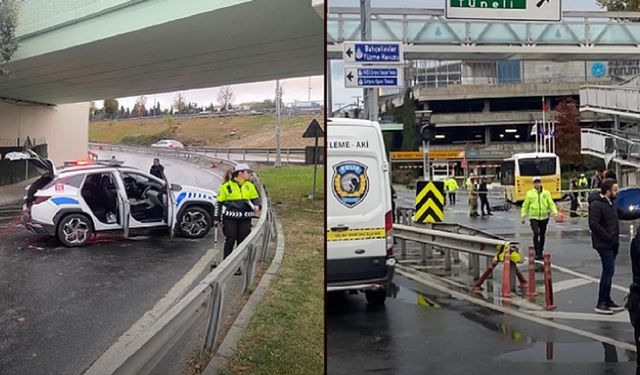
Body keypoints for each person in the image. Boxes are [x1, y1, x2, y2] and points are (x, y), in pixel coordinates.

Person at [588, 178, 640, 314]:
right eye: (615, 189)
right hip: (604, 244)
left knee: (609, 272)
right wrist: (608, 237)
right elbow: (594, 224)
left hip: (612, 244)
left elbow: (623, 215)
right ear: (607, 191)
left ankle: (607, 299)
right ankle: (601, 303)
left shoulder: (611, 203)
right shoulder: (596, 205)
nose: (617, 192)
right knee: (608, 271)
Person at [214, 164, 261, 274]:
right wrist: (216, 217)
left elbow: (256, 199)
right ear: (240, 173)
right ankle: (226, 264)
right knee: (230, 240)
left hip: (245, 219)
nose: (249, 174)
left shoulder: (249, 186)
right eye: (247, 172)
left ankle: (237, 266)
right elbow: (219, 203)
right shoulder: (226, 186)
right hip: (230, 218)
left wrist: (257, 206)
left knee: (242, 242)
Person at [521, 176, 558, 261]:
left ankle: (540, 251)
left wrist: (555, 213)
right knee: (536, 233)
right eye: (535, 182)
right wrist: (523, 215)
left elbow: (551, 204)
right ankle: (536, 251)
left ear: (541, 183)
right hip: (534, 217)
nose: (537, 184)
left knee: (542, 234)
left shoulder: (546, 193)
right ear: (533, 184)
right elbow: (525, 205)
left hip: (544, 217)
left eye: (538, 182)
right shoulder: (529, 193)